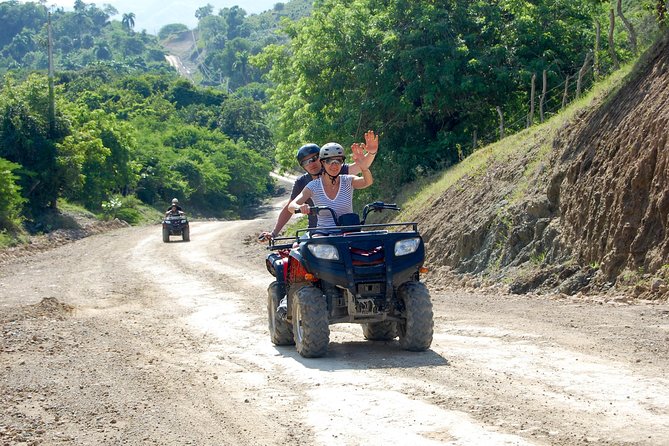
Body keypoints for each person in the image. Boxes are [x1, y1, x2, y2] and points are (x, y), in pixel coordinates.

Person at [259, 130, 379, 240]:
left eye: (314, 158)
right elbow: (290, 207)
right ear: (303, 166)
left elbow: (362, 167)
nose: (312, 163)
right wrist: (274, 232)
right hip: (319, 233)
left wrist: (372, 152)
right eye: (306, 162)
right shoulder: (306, 183)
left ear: (321, 158)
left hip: (346, 229)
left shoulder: (340, 172)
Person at [288, 141, 373, 231]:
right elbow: (291, 206)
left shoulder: (348, 180)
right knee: (312, 245)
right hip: (324, 235)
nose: (334, 165)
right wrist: (300, 207)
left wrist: (364, 168)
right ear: (322, 163)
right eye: (329, 161)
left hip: (348, 232)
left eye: (338, 161)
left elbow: (367, 182)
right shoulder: (313, 186)